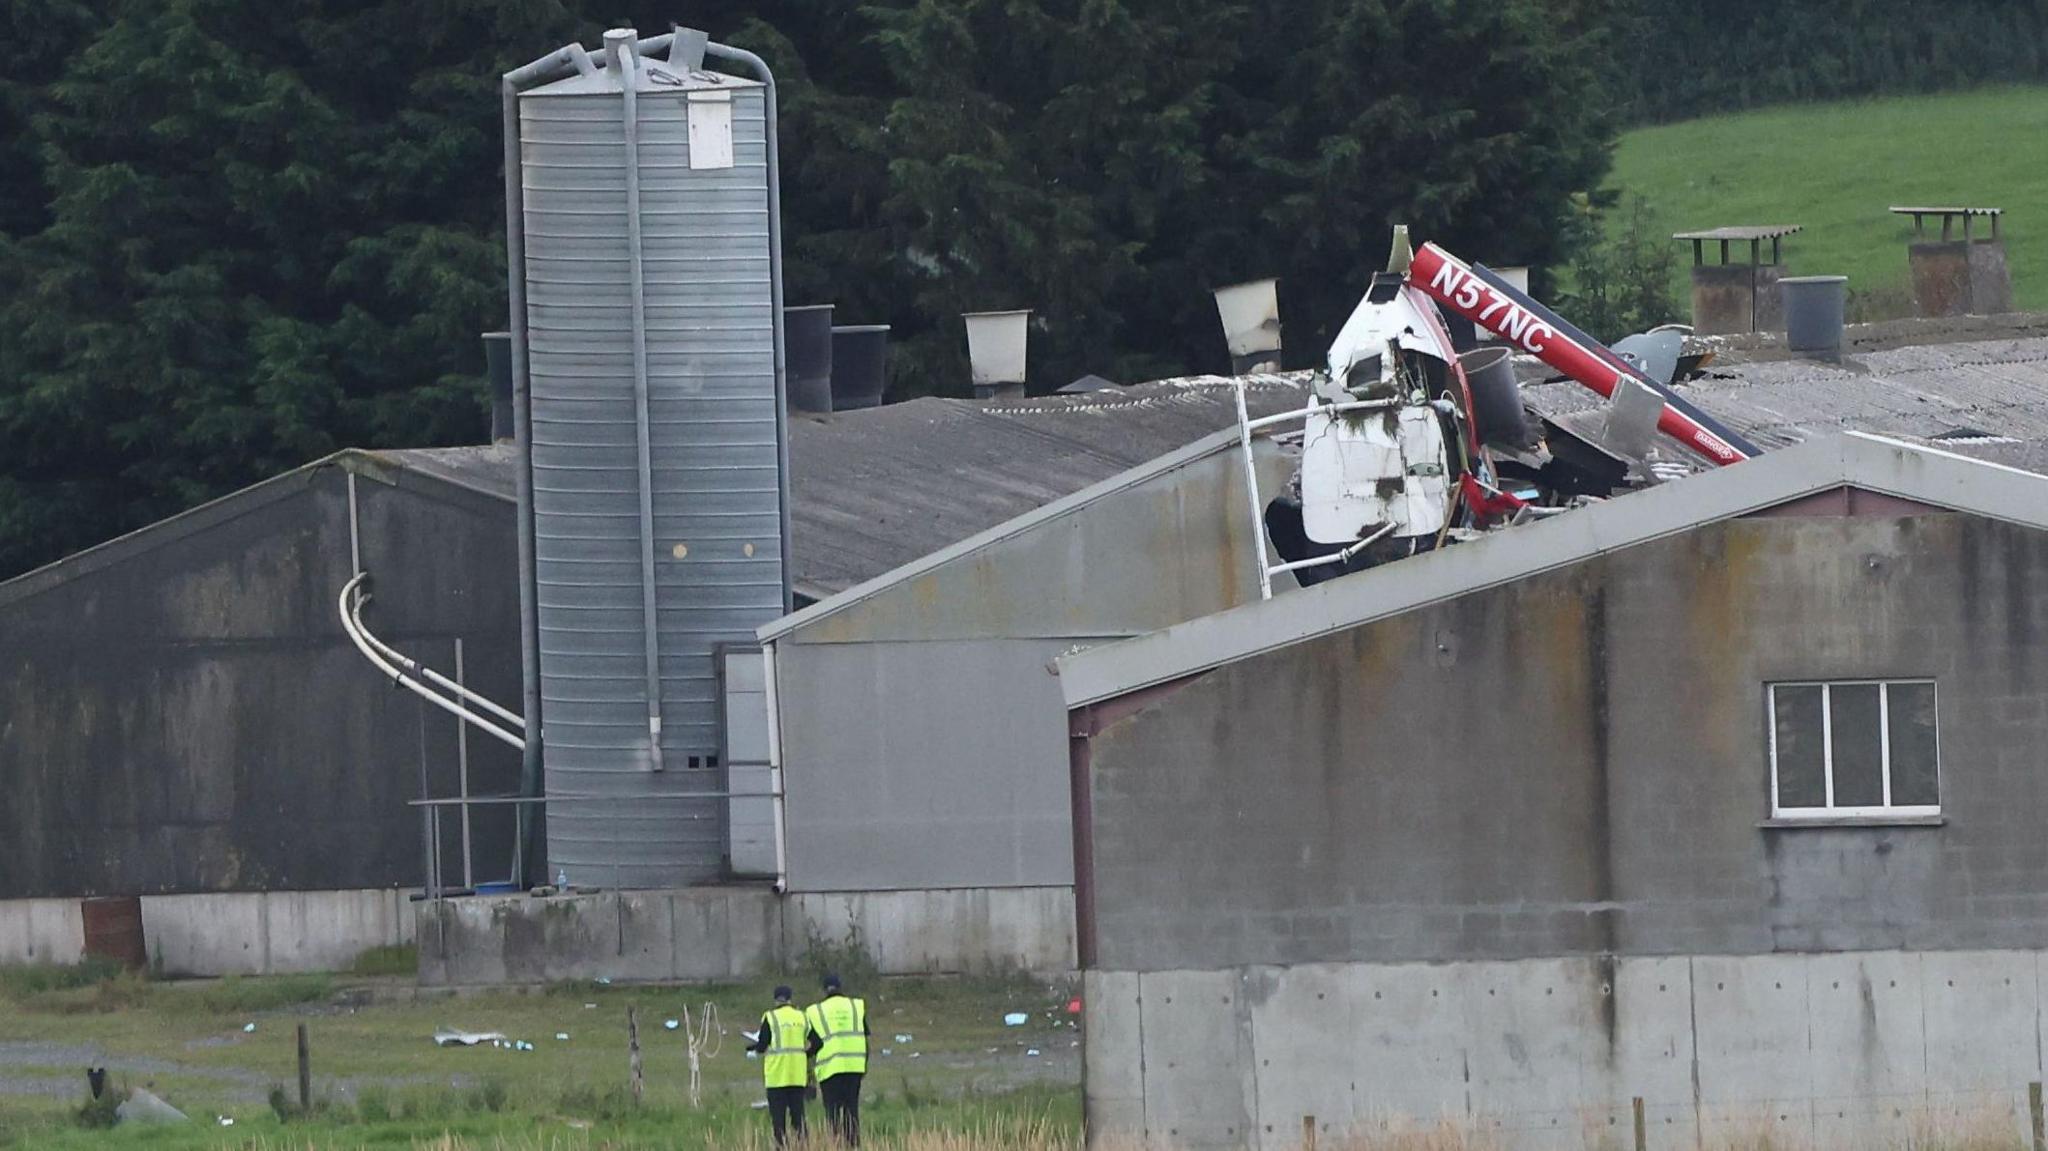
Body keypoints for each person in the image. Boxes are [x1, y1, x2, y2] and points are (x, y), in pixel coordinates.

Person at [805, 972, 869, 1146]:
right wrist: (864, 1065)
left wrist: (806, 1058)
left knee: (832, 1111)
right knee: (851, 1109)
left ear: (825, 990)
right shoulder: (856, 1006)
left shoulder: (815, 1011)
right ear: (840, 987)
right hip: (854, 1067)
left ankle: (835, 1144)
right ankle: (853, 1144)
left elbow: (815, 1043)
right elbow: (864, 1036)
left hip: (830, 1069)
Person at [750, 985, 810, 1146]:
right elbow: (817, 1042)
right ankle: (804, 1146)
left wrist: (753, 1048)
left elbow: (762, 1045)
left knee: (778, 1120)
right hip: (797, 1076)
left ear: (776, 999)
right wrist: (805, 1055)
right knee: (799, 1117)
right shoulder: (801, 1017)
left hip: (777, 1077)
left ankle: (781, 1146)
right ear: (790, 998)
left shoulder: (770, 1017)